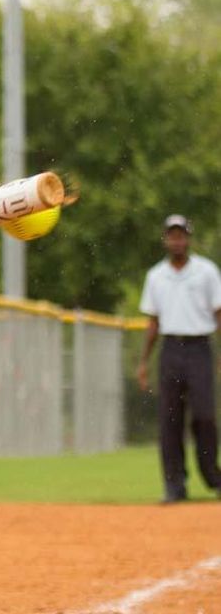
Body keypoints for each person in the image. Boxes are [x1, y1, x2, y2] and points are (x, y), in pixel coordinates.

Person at [137, 213, 221, 504]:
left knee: (205, 416)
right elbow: (153, 324)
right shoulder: (155, 276)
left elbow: (218, 314)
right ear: (165, 239)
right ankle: (174, 485)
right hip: (171, 348)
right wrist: (144, 362)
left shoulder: (207, 272)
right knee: (169, 419)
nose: (177, 240)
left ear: (188, 238)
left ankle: (213, 476)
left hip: (200, 347)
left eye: (181, 235)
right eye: (172, 235)